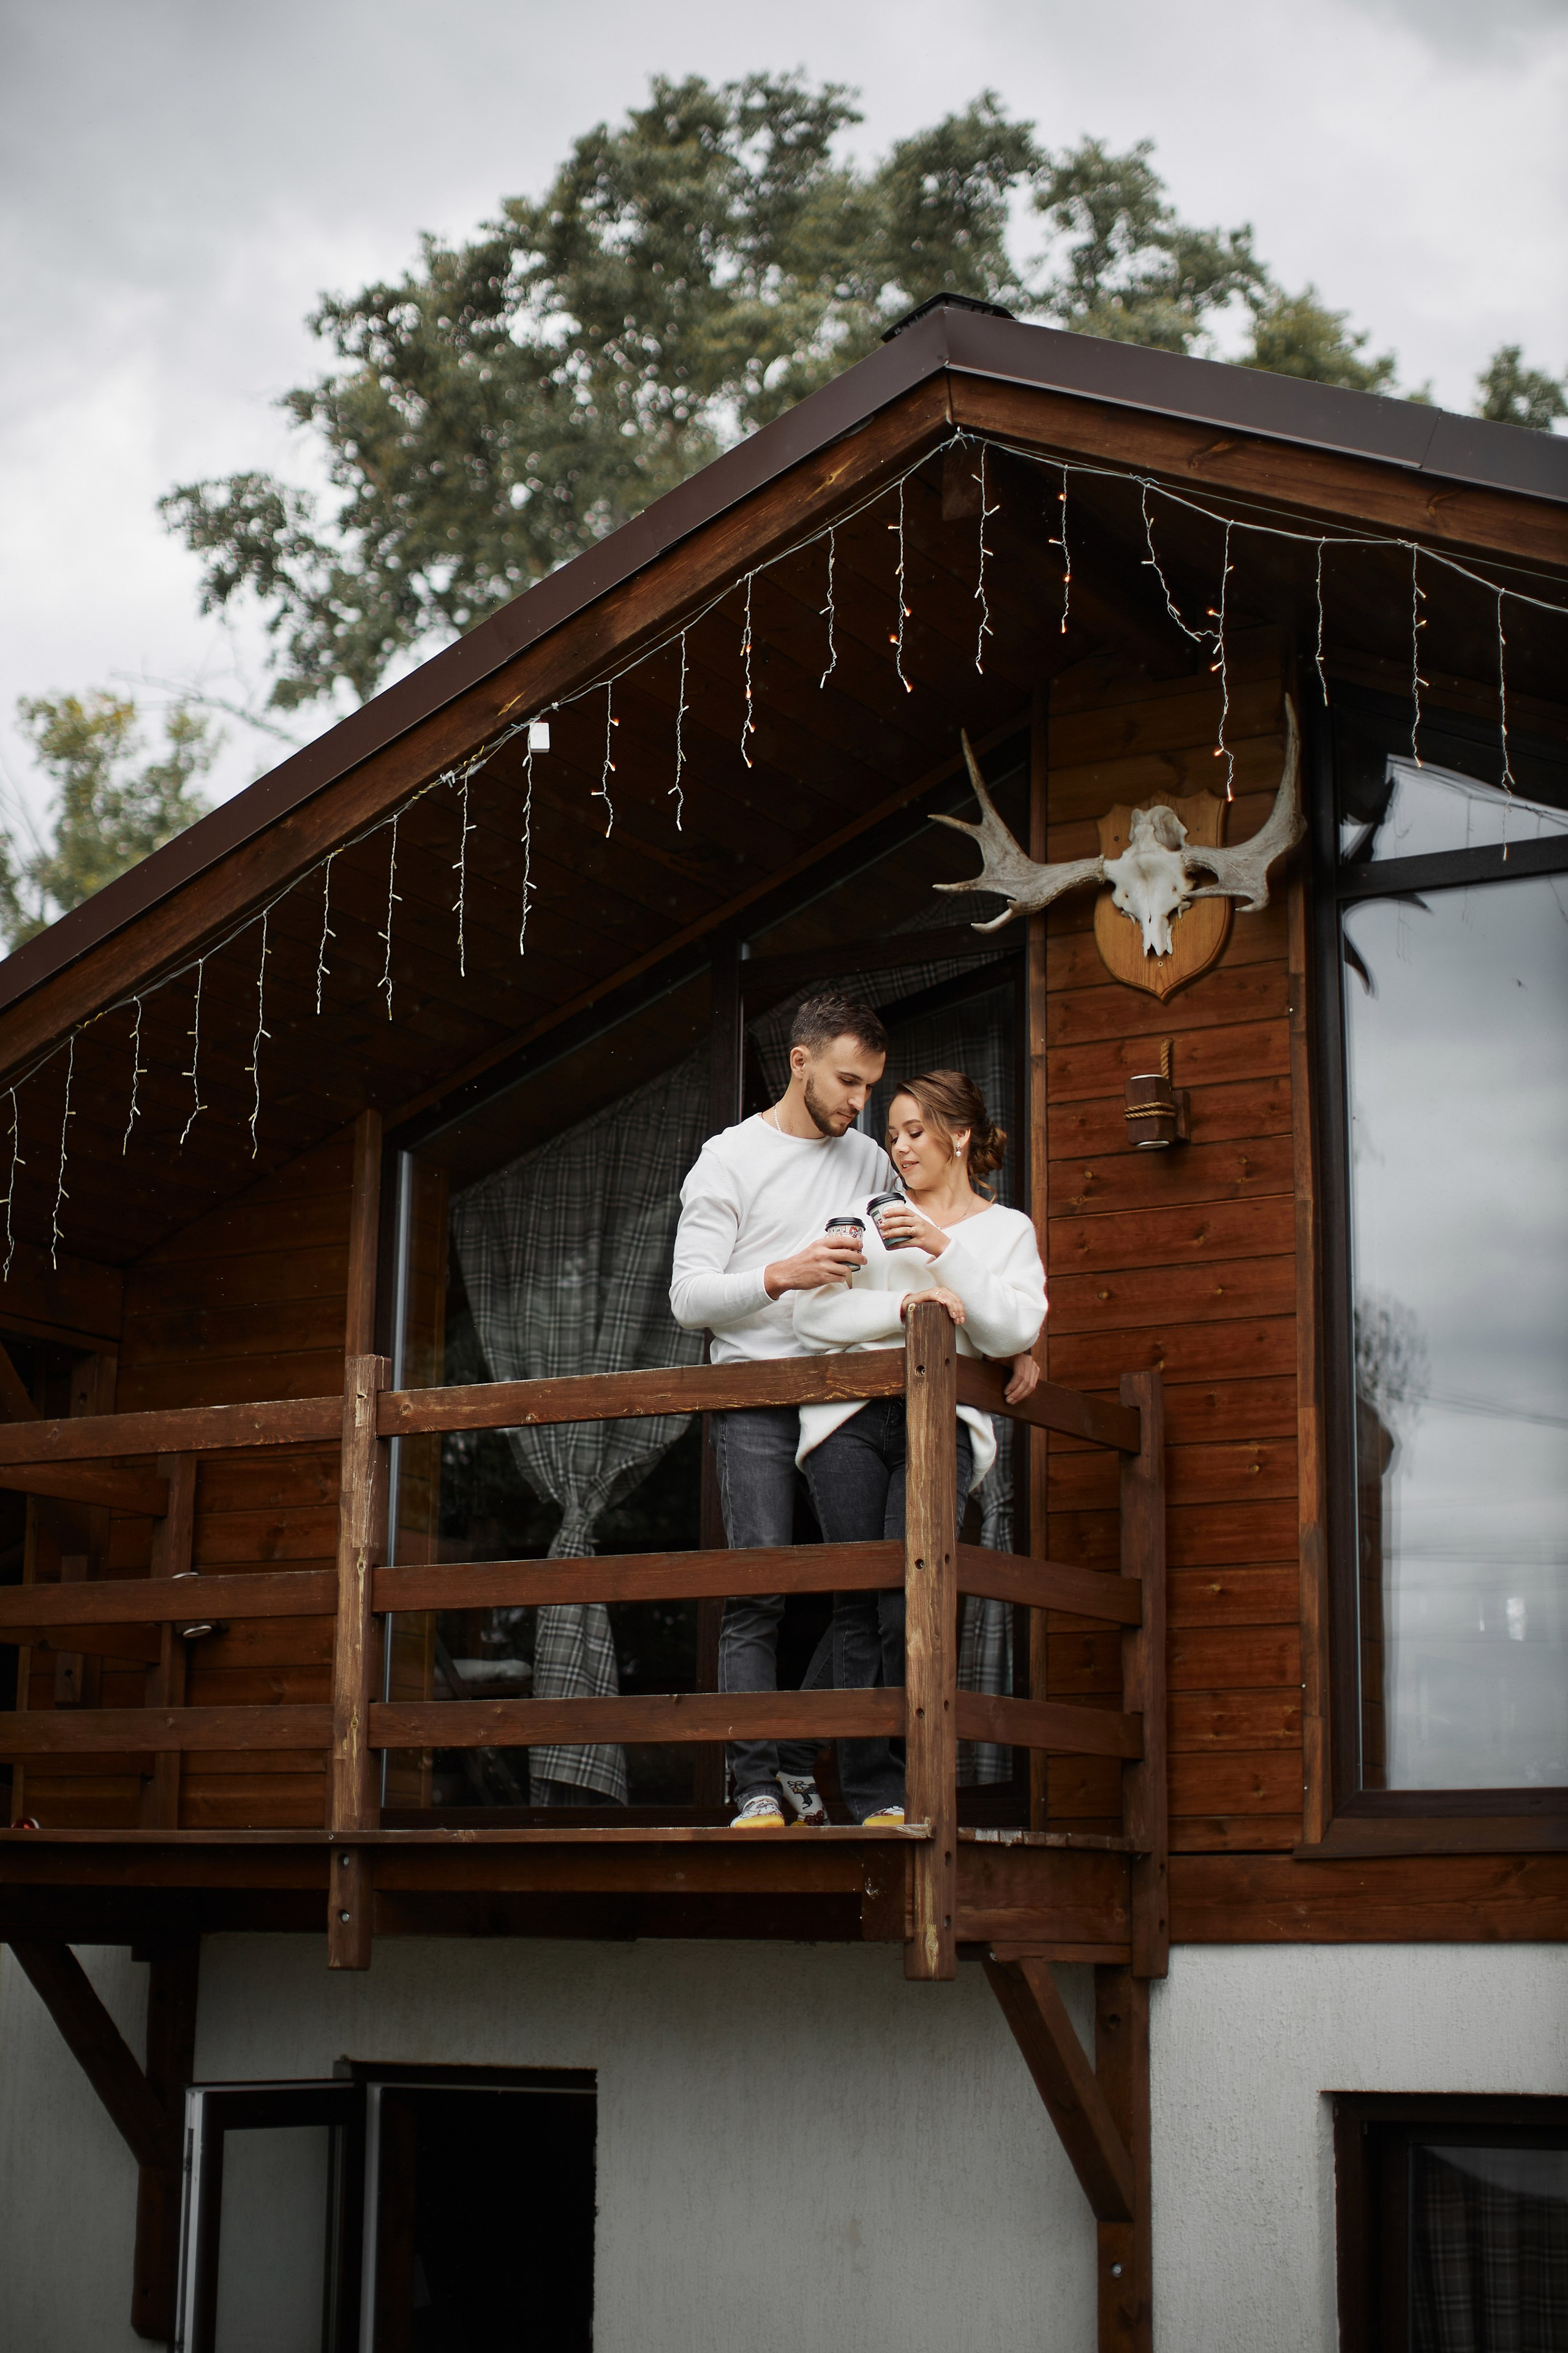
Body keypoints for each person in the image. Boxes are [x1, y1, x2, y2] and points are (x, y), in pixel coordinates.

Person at [793, 1069, 1046, 1827]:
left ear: (958, 1136)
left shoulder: (1006, 1232)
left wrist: (941, 1249)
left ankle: (791, 1749)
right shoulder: (868, 1218)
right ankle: (875, 1796)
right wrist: (904, 1303)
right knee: (857, 1597)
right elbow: (812, 1317)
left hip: (943, 1426)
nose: (898, 1149)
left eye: (914, 1132)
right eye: (893, 1134)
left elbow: (1011, 1330)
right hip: (845, 1422)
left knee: (906, 1597)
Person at [670, 991, 897, 1829]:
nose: (858, 1102)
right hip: (757, 1399)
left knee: (867, 1592)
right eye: (847, 1081)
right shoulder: (727, 1159)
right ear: (799, 1062)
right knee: (760, 1591)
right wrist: (783, 1272)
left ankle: (823, 1767)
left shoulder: (871, 1159)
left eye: (871, 1086)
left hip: (847, 1401)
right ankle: (756, 1787)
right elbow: (688, 1298)